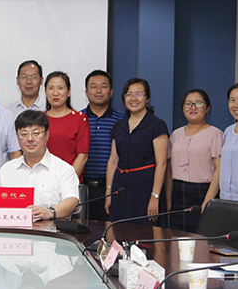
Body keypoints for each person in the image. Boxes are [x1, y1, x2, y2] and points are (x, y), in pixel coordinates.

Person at [0, 110, 79, 220]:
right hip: (12, 228)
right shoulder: (7, 169)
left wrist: (50, 212)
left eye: (36, 133)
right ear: (17, 137)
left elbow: (72, 201)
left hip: (51, 228)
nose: (30, 139)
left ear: (47, 135)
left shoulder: (63, 169)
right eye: (24, 134)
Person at [105, 78, 168, 225]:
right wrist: (109, 192)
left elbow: (162, 164)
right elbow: (113, 161)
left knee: (145, 232)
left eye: (139, 94)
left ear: (147, 98)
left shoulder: (157, 125)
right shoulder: (119, 125)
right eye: (129, 94)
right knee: (118, 231)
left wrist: (155, 196)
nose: (133, 98)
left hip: (145, 187)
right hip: (120, 187)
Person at [165, 89, 223, 232]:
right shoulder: (176, 134)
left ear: (207, 108)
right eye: (188, 103)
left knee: (201, 239)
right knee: (177, 238)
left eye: (198, 103)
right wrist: (168, 199)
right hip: (178, 194)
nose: (193, 107)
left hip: (202, 192)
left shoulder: (215, 134)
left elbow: (220, 170)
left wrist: (208, 200)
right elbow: (169, 169)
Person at [81, 70, 123, 221]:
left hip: (112, 189)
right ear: (86, 92)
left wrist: (110, 190)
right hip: (83, 189)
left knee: (110, 231)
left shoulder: (122, 121)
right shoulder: (78, 119)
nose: (98, 91)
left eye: (103, 86)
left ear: (111, 92)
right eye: (93, 86)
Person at [45, 71, 89, 180]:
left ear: (68, 92)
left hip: (70, 181)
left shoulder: (80, 119)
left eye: (60, 88)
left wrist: (67, 181)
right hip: (43, 180)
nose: (55, 93)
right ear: (45, 92)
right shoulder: (39, 119)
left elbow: (82, 156)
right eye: (51, 88)